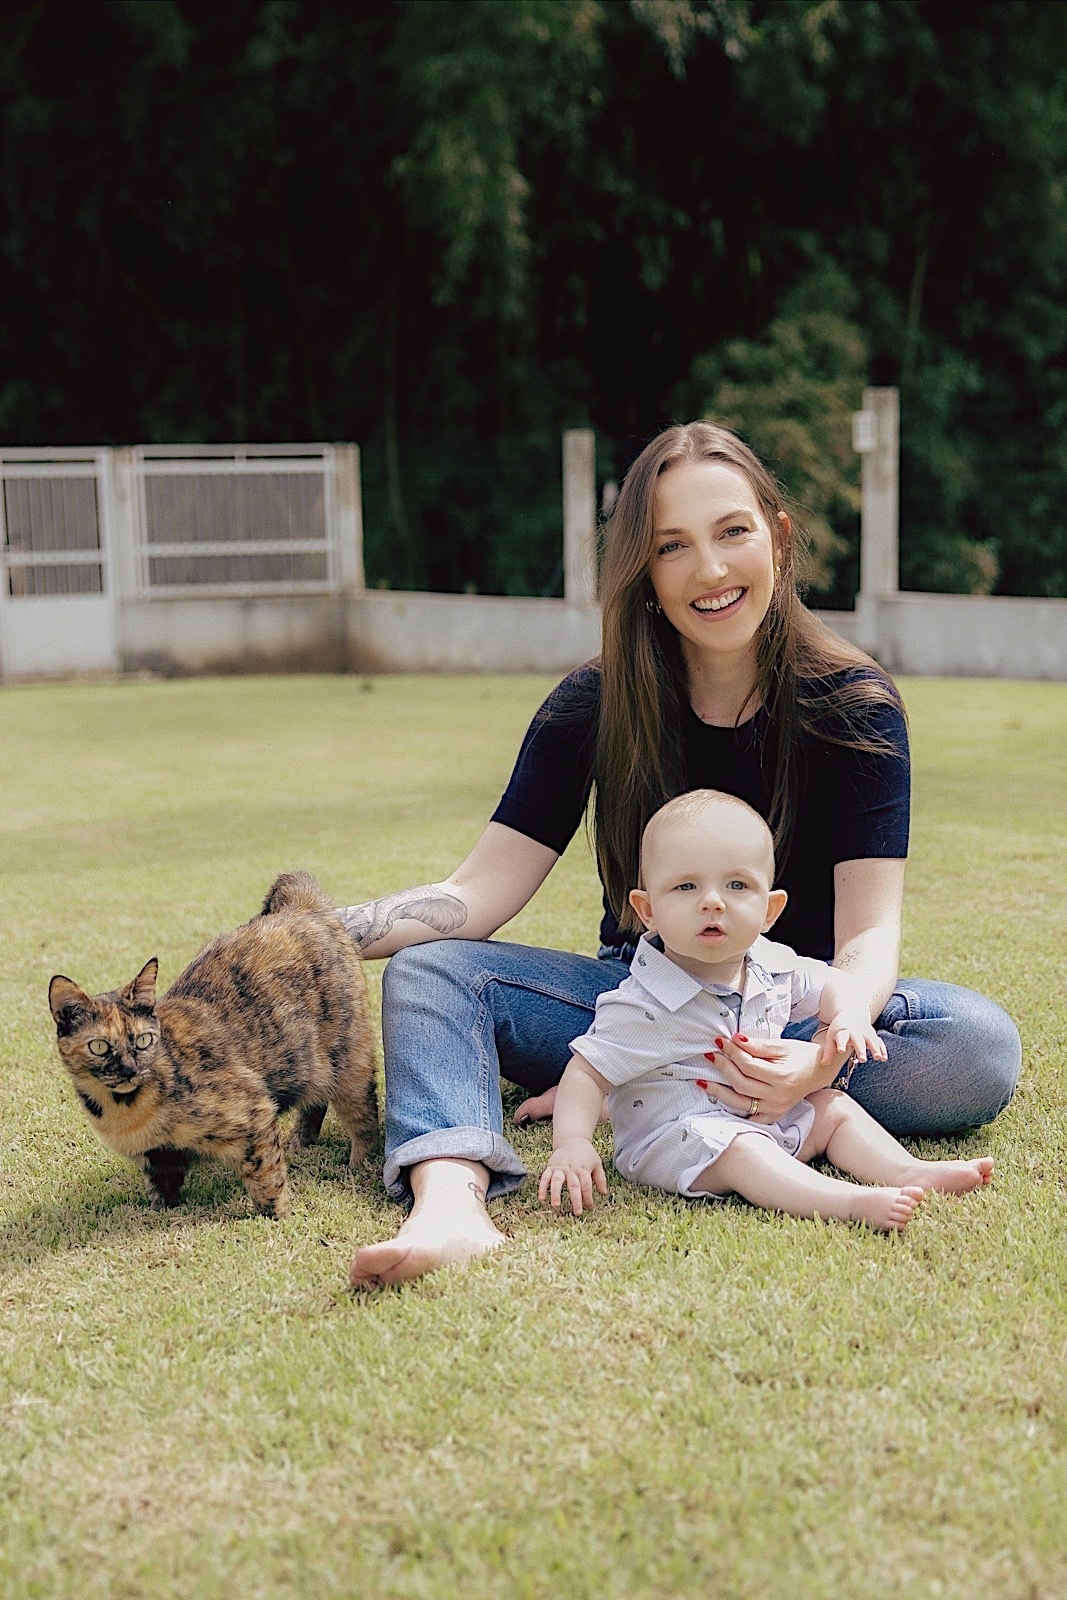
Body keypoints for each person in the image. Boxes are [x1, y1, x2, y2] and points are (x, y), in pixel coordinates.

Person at [342, 421, 1020, 1289]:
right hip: (639, 1009)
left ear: (775, 534)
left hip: (788, 1010)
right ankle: (449, 1204)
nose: (709, 570)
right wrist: (314, 934)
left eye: (731, 532)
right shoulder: (592, 705)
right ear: (643, 573)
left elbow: (868, 934)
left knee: (974, 1045)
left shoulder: (853, 705)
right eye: (672, 547)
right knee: (432, 973)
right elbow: (475, 894)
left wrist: (817, 1059)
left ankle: (656, 1101)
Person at [539, 789, 993, 1231]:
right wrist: (572, 1144)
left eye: (737, 885)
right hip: (679, 1139)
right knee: (743, 1150)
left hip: (764, 1119)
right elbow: (587, 1073)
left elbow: (834, 983)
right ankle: (847, 1203)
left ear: (770, 910)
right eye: (685, 885)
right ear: (648, 909)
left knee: (831, 1106)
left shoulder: (772, 966)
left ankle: (907, 1171)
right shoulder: (643, 1003)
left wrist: (849, 1015)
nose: (712, 901)